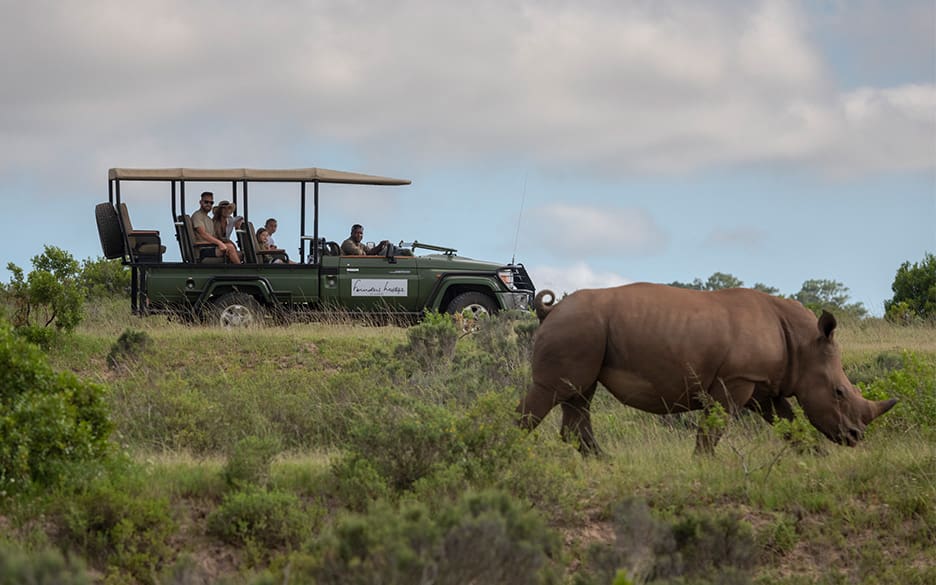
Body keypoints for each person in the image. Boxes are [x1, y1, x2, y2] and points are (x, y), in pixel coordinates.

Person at [191, 191, 240, 263]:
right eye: (206, 202)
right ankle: (241, 272)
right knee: (230, 248)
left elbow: (214, 236)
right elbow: (203, 234)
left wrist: (225, 241)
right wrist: (219, 243)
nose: (208, 204)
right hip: (202, 249)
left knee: (239, 253)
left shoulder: (209, 219)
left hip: (211, 247)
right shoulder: (197, 216)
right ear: (201, 202)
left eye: (211, 203)